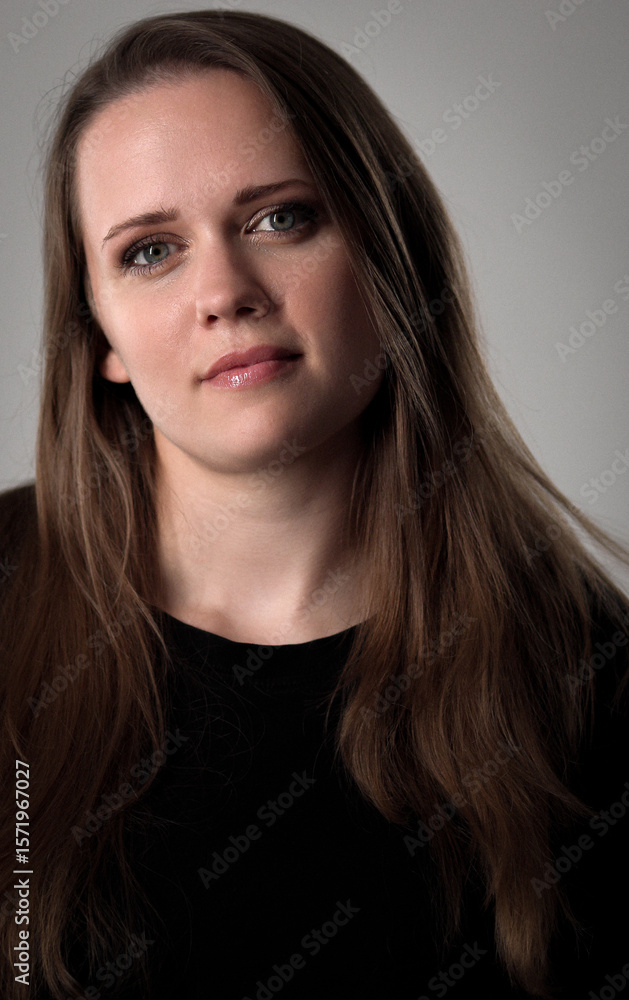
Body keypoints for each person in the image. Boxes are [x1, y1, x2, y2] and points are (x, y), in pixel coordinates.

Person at [1, 9, 628, 1000]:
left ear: (388, 259)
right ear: (100, 338)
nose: (225, 291)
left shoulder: (586, 675)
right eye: (150, 251)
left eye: (280, 219)